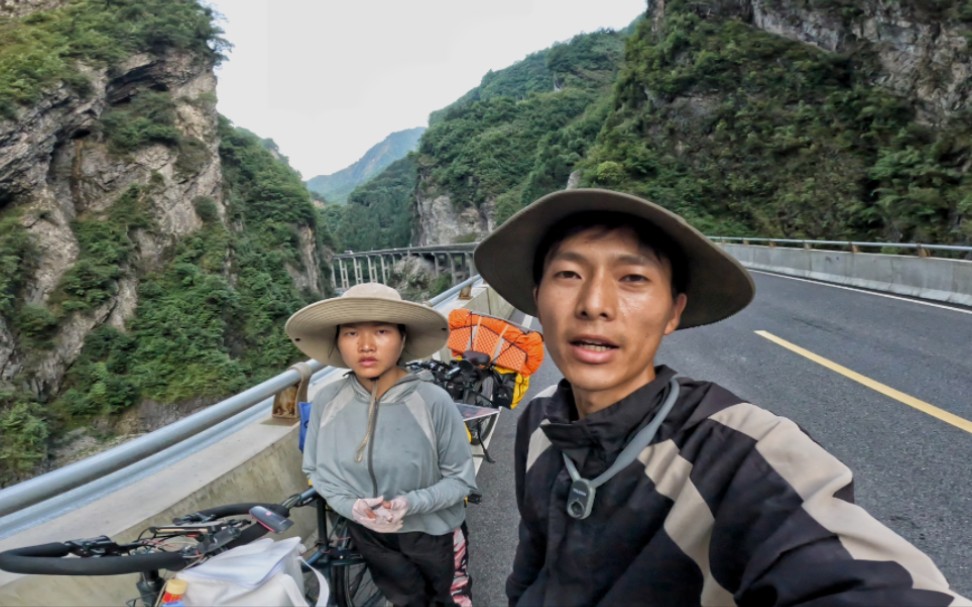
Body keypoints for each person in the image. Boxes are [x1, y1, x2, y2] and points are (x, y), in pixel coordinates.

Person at [473, 188, 969, 606]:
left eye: (633, 279)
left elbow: (859, 577)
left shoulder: (745, 452)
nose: (595, 305)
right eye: (568, 275)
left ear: (673, 312)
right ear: (538, 298)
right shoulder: (540, 421)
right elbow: (530, 563)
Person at [286, 283, 477, 607]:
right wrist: (352, 507)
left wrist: (409, 504)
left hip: (434, 533)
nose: (365, 345)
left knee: (448, 600)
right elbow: (316, 470)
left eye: (381, 331)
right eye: (350, 333)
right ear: (337, 341)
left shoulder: (432, 401)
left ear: (402, 338)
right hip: (370, 537)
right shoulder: (328, 402)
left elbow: (460, 480)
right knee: (406, 600)